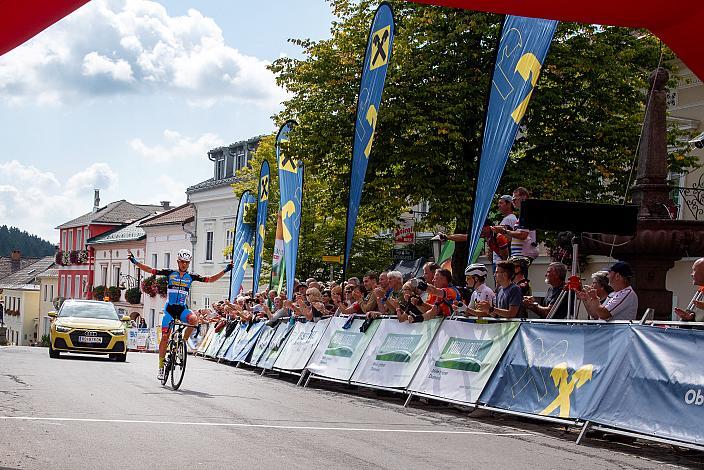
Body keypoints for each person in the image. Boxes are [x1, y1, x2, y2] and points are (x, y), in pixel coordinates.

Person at [128, 248, 233, 380]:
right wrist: (135, 261)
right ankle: (161, 367)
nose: (184, 264)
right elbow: (150, 270)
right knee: (165, 337)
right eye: (182, 262)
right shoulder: (170, 273)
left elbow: (210, 279)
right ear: (178, 261)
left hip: (182, 309)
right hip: (170, 310)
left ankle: (182, 342)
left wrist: (226, 270)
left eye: (187, 262)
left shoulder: (191, 276)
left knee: (194, 320)